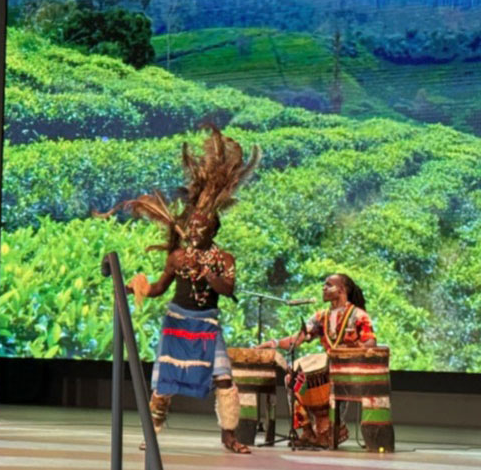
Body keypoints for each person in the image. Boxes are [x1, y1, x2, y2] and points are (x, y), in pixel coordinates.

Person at [119, 127, 261, 455]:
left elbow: (228, 289)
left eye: (201, 227)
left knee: (224, 381)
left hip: (207, 325)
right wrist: (138, 287)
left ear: (213, 229)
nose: (194, 230)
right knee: (164, 383)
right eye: (192, 225)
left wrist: (207, 273)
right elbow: (159, 288)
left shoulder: (224, 259)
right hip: (178, 322)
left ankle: (229, 437)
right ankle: (151, 434)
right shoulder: (177, 256)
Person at [260, 273, 375, 448]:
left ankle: (331, 428)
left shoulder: (358, 315)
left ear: (341, 290)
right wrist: (274, 343)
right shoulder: (321, 317)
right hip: (327, 368)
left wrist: (352, 347)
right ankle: (307, 431)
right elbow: (298, 338)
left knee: (329, 381)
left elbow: (370, 343)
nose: (323, 288)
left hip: (345, 371)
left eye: (328, 285)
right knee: (291, 379)